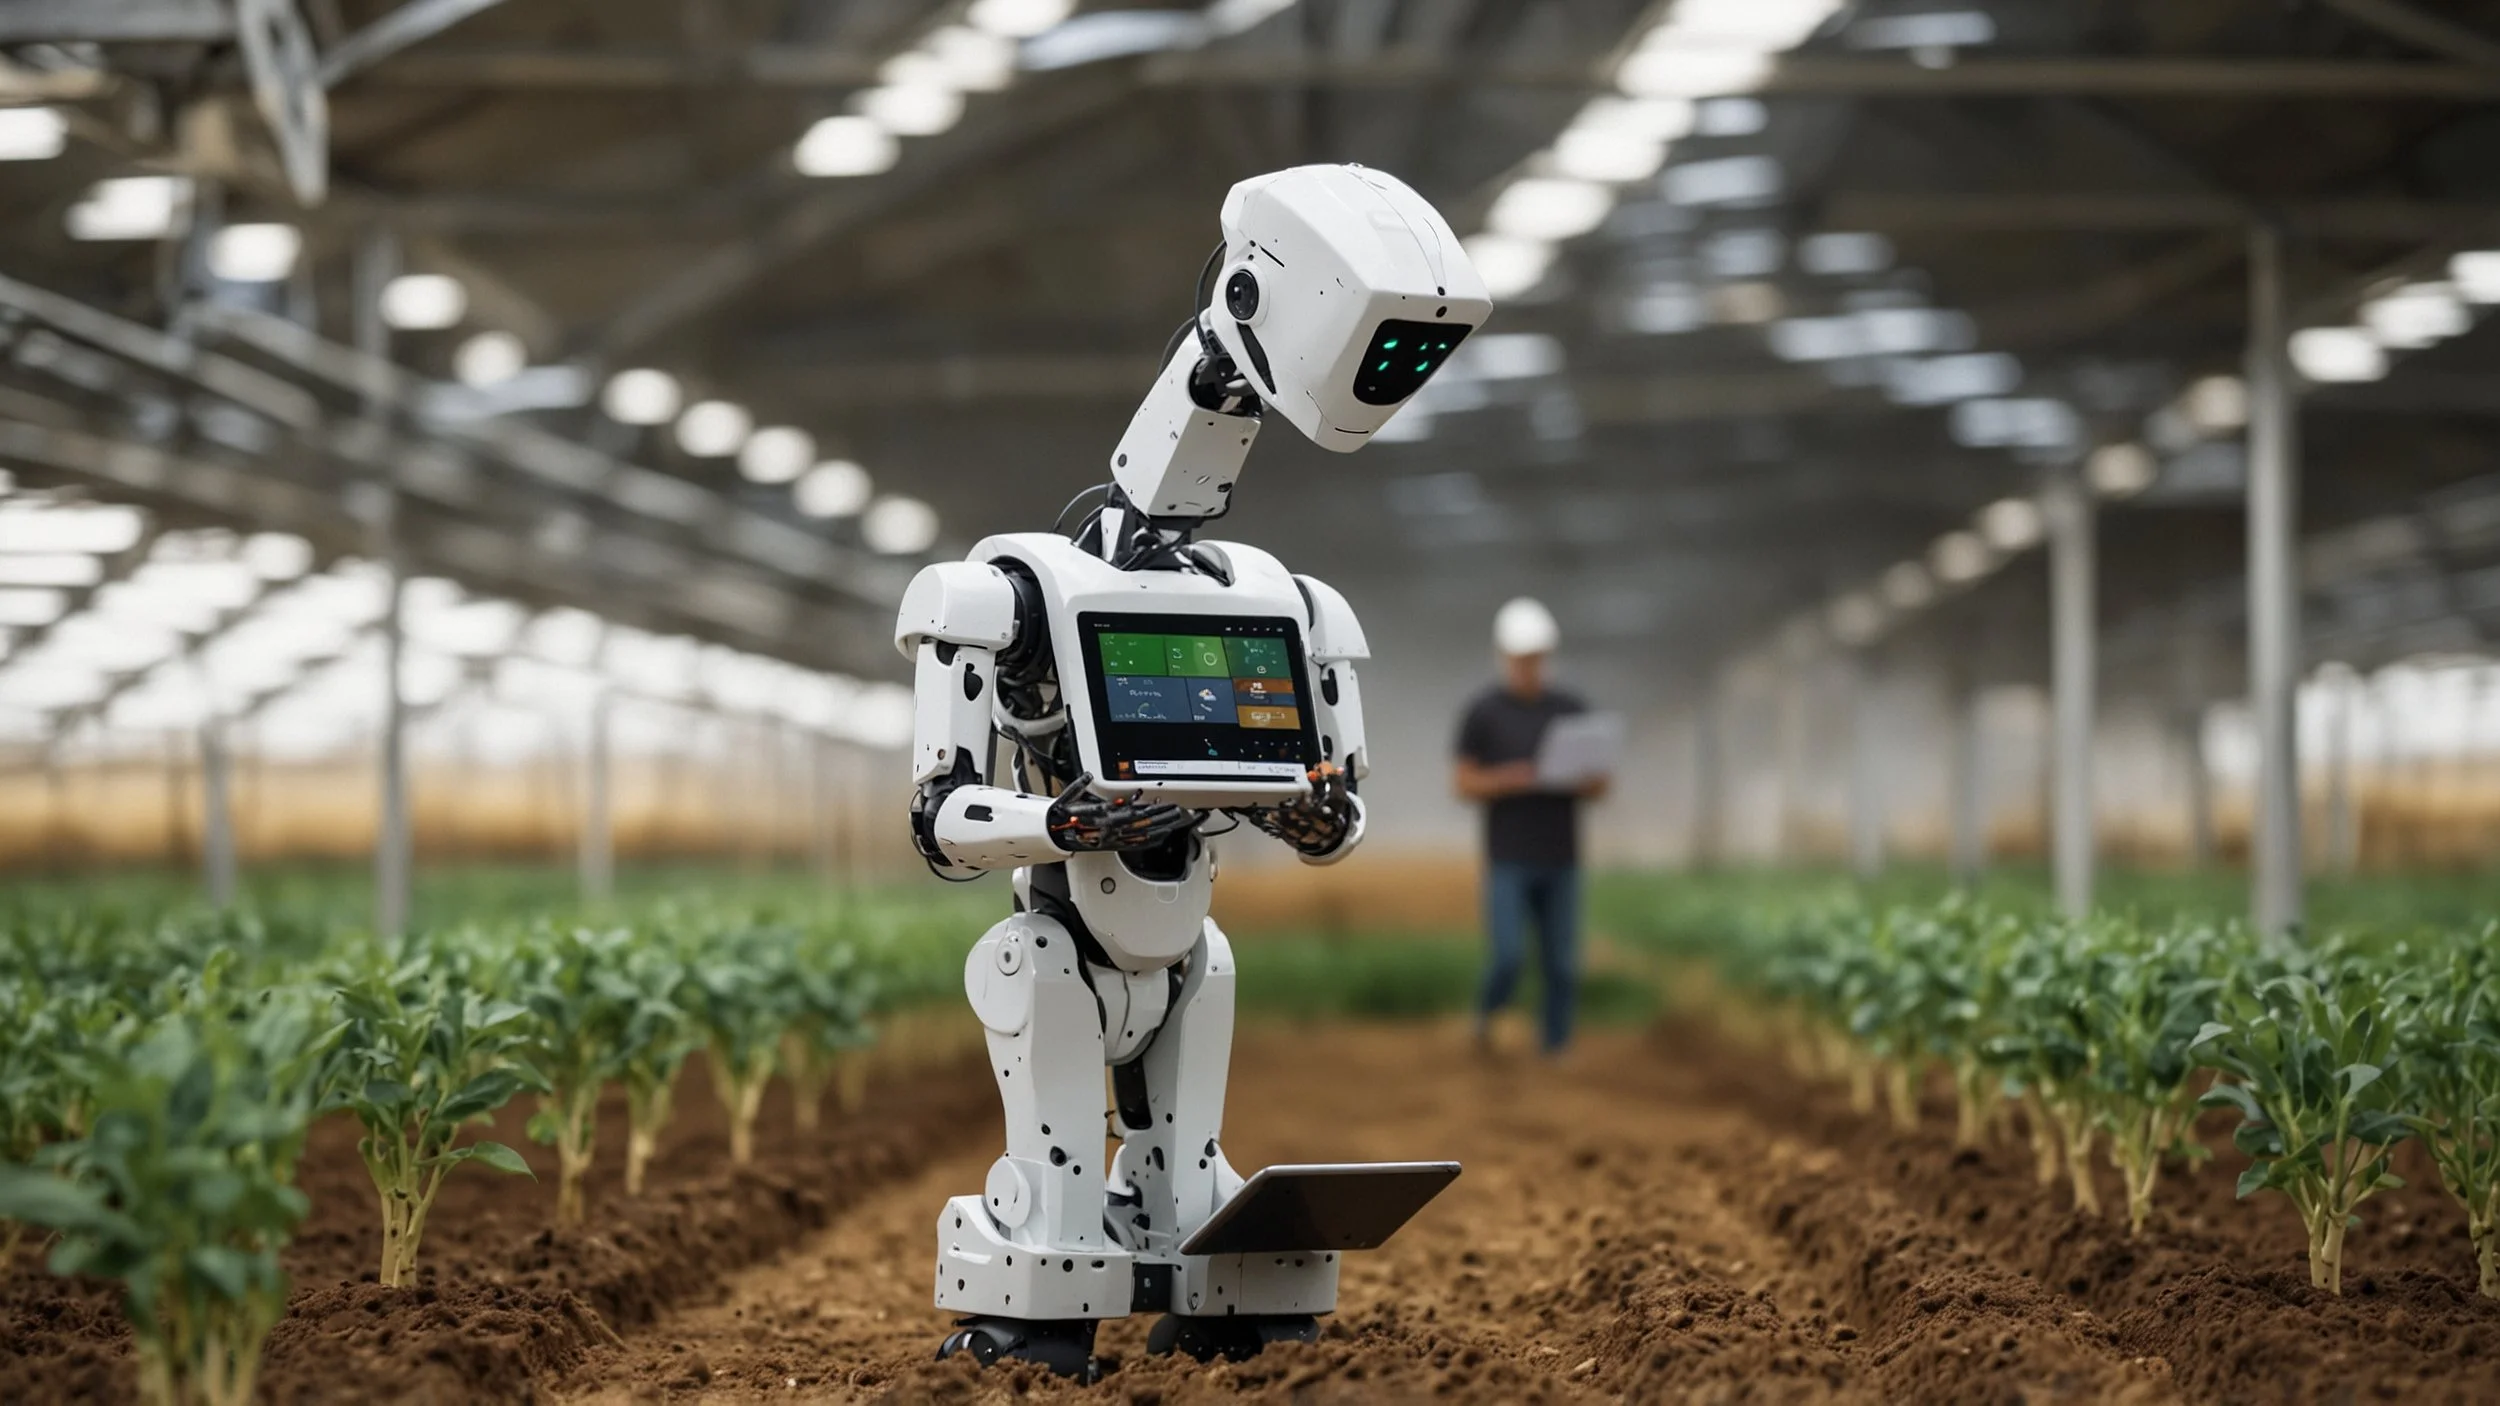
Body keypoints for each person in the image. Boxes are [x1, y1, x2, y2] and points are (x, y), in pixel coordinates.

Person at [1452, 597, 1606, 1057]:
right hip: (1509, 857)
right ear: (1504, 657)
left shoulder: (1572, 708)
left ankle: (1556, 1047)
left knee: (1561, 962)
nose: (1529, 667)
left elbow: (1600, 785)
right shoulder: (1483, 712)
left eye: (1536, 659)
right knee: (1509, 956)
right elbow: (1463, 783)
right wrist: (1512, 779)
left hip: (1562, 856)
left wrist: (1578, 779)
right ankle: (1486, 1021)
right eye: (1521, 659)